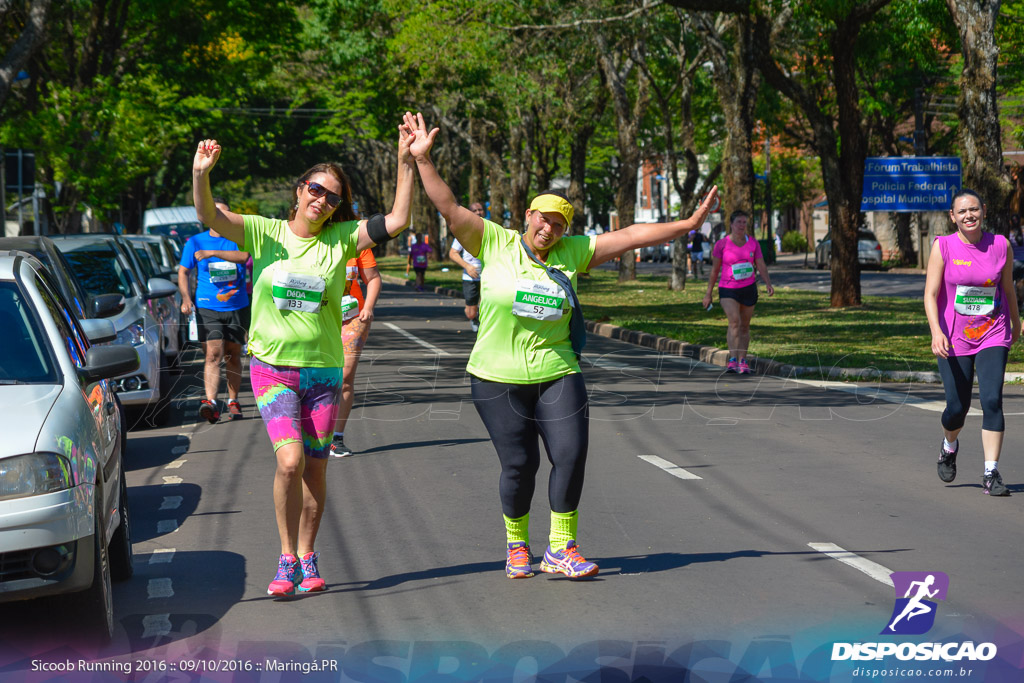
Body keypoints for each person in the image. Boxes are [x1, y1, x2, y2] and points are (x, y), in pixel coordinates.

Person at [406, 111, 719, 580]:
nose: (549, 229)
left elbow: (632, 236)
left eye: (558, 223)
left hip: (557, 370)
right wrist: (424, 161)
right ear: (527, 217)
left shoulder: (573, 253)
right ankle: (516, 546)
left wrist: (688, 223)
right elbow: (449, 208)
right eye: (542, 220)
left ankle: (560, 547)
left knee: (570, 453)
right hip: (496, 377)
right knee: (520, 464)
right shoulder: (494, 242)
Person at [191, 121, 416, 597]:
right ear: (299, 191)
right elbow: (210, 215)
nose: (322, 200)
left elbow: (396, 220)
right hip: (271, 367)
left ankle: (309, 554)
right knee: (289, 462)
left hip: (323, 371)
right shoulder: (264, 233)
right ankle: (286, 556)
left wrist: (406, 159)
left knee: (315, 466)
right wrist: (201, 174)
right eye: (316, 190)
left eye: (332, 197)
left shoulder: (342, 240)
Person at [924, 189, 1019, 497]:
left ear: (984, 211)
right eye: (962, 211)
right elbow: (930, 294)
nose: (969, 215)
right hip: (954, 337)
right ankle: (949, 446)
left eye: (974, 209)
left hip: (993, 331)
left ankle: (991, 472)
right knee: (957, 407)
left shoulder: (1000, 245)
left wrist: (1016, 323)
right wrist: (936, 331)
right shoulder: (943, 247)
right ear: (953, 216)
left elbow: (1008, 289)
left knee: (991, 401)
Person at [177, 196, 250, 423]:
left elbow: (244, 257)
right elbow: (183, 272)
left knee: (233, 356)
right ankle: (211, 402)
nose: (220, 217)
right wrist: (186, 298)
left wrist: (213, 253)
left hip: (237, 306)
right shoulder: (195, 241)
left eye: (224, 214)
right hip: (208, 306)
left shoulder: (237, 239)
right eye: (215, 213)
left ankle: (233, 400)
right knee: (213, 354)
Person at [701, 210, 774, 374]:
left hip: (748, 288)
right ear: (732, 224)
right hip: (728, 289)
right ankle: (732, 359)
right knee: (734, 321)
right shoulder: (722, 244)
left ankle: (743, 360)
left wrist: (768, 284)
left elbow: (761, 265)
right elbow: (714, 270)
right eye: (738, 222)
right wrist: (708, 293)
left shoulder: (753, 243)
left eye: (744, 222)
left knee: (744, 326)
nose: (742, 225)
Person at [329, 247, 381, 457]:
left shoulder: (359, 244)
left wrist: (368, 307)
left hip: (353, 317)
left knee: (346, 376)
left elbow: (374, 278)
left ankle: (336, 438)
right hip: (317, 318)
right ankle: (313, 430)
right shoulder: (314, 238)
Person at [448, 202, 485, 332]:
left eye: (480, 210)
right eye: (475, 211)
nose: (478, 212)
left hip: (488, 275)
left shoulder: (490, 229)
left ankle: (485, 324)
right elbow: (453, 253)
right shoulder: (464, 232)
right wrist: (467, 266)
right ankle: (473, 317)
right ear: (470, 214)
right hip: (470, 276)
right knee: (471, 312)